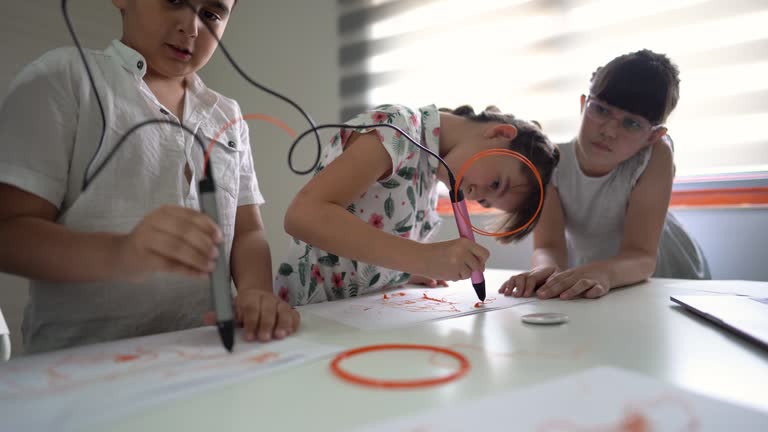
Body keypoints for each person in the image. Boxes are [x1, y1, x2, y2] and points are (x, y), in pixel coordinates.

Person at [0, 0, 297, 353]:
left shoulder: (227, 114)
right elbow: (9, 230)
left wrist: (255, 292)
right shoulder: (63, 77)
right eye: (175, 1)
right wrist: (121, 253)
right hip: (82, 364)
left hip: (205, 351)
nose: (192, 27)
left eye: (211, 14)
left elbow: (248, 230)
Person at [274, 103, 560, 305]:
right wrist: (422, 257)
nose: (473, 194)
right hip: (305, 314)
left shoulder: (430, 177)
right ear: (499, 134)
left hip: (351, 320)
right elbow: (303, 215)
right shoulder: (397, 129)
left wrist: (401, 270)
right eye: (496, 183)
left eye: (485, 201)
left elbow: (363, 241)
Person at [500, 49, 710, 301]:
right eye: (601, 110)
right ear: (583, 104)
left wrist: (603, 273)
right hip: (598, 271)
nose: (609, 130)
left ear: (653, 136)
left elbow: (641, 256)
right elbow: (548, 245)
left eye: (631, 123)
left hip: (659, 272)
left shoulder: (656, 155)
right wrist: (545, 269)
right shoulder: (551, 160)